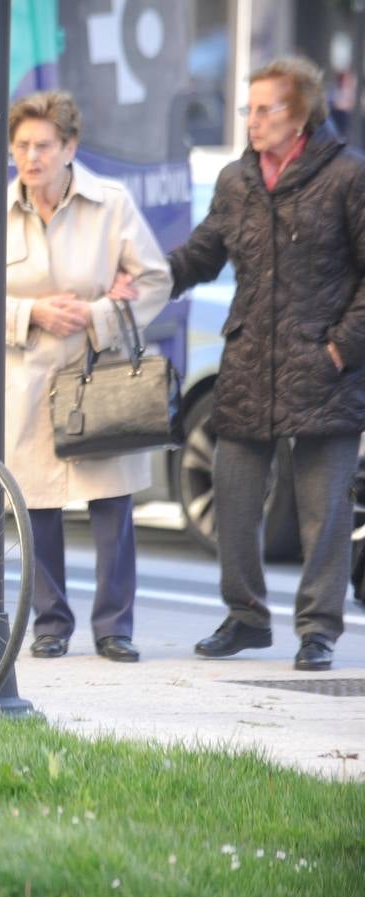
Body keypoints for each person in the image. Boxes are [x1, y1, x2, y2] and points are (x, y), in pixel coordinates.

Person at [168, 57, 365, 672]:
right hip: (250, 364)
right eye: (247, 109)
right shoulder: (235, 180)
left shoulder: (348, 176)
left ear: (300, 113)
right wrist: (147, 274)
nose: (251, 120)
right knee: (233, 496)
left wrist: (341, 347)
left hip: (325, 370)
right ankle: (247, 617)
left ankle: (319, 631)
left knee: (323, 512)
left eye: (264, 108)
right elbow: (203, 254)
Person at [0, 90, 172, 663]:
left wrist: (97, 316)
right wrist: (32, 312)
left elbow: (155, 279)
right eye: (21, 146)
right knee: (34, 503)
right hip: (30, 379)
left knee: (111, 503)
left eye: (43, 145)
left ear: (70, 148)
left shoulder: (110, 204)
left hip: (99, 373)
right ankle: (50, 623)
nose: (30, 157)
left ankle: (114, 627)